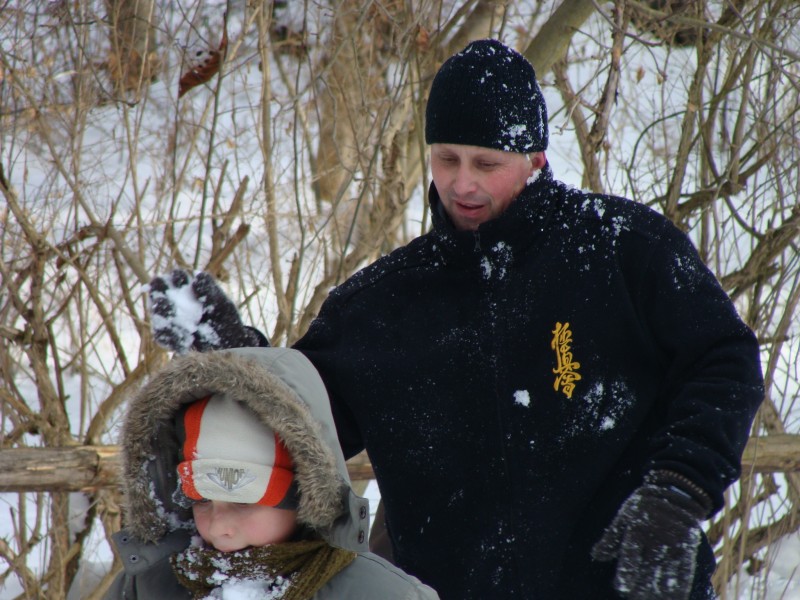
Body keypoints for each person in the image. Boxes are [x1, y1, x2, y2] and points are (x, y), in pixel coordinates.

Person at [147, 39, 764, 599]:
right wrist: (235, 357)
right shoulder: (383, 303)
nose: (463, 183)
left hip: (630, 583)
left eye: (486, 163)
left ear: (535, 157)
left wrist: (679, 491)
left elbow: (723, 361)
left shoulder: (624, 250)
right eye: (447, 159)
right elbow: (301, 418)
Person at [104, 346, 439, 599]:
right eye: (202, 499)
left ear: (306, 496)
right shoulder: (147, 586)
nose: (218, 527)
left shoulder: (385, 595)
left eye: (242, 501)